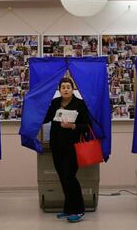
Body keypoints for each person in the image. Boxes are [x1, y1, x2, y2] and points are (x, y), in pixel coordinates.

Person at [43, 77, 91, 223]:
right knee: (63, 178)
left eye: (68, 87)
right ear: (59, 90)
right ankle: (68, 209)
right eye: (63, 87)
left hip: (73, 147)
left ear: (72, 89)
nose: (65, 89)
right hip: (57, 146)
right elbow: (45, 119)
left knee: (70, 178)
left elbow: (87, 126)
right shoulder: (55, 103)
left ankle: (79, 210)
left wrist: (72, 126)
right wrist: (39, 105)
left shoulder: (80, 104)